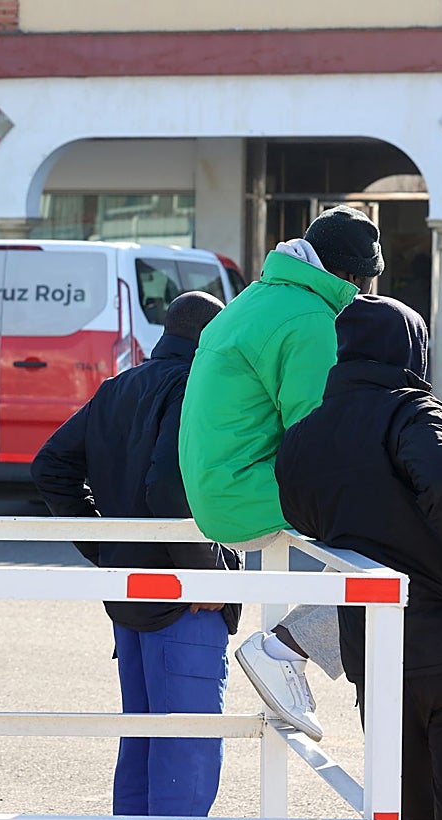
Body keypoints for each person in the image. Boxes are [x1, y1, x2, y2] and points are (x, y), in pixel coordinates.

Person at [275, 294, 442, 820]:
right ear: (411, 350)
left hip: (379, 656)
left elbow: (302, 515)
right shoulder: (411, 410)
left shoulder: (304, 435)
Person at [31, 292, 242, 817]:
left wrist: (106, 549)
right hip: (185, 600)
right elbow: (168, 492)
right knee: (186, 755)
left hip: (129, 594)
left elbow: (50, 467)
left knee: (143, 743)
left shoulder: (118, 386)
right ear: (212, 338)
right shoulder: (197, 387)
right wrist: (207, 577)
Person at [178, 205, 384, 741]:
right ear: (349, 277)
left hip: (217, 486)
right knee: (391, 528)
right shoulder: (311, 319)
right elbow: (320, 436)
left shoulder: (258, 298)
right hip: (248, 493)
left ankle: (297, 647)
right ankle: (285, 648)